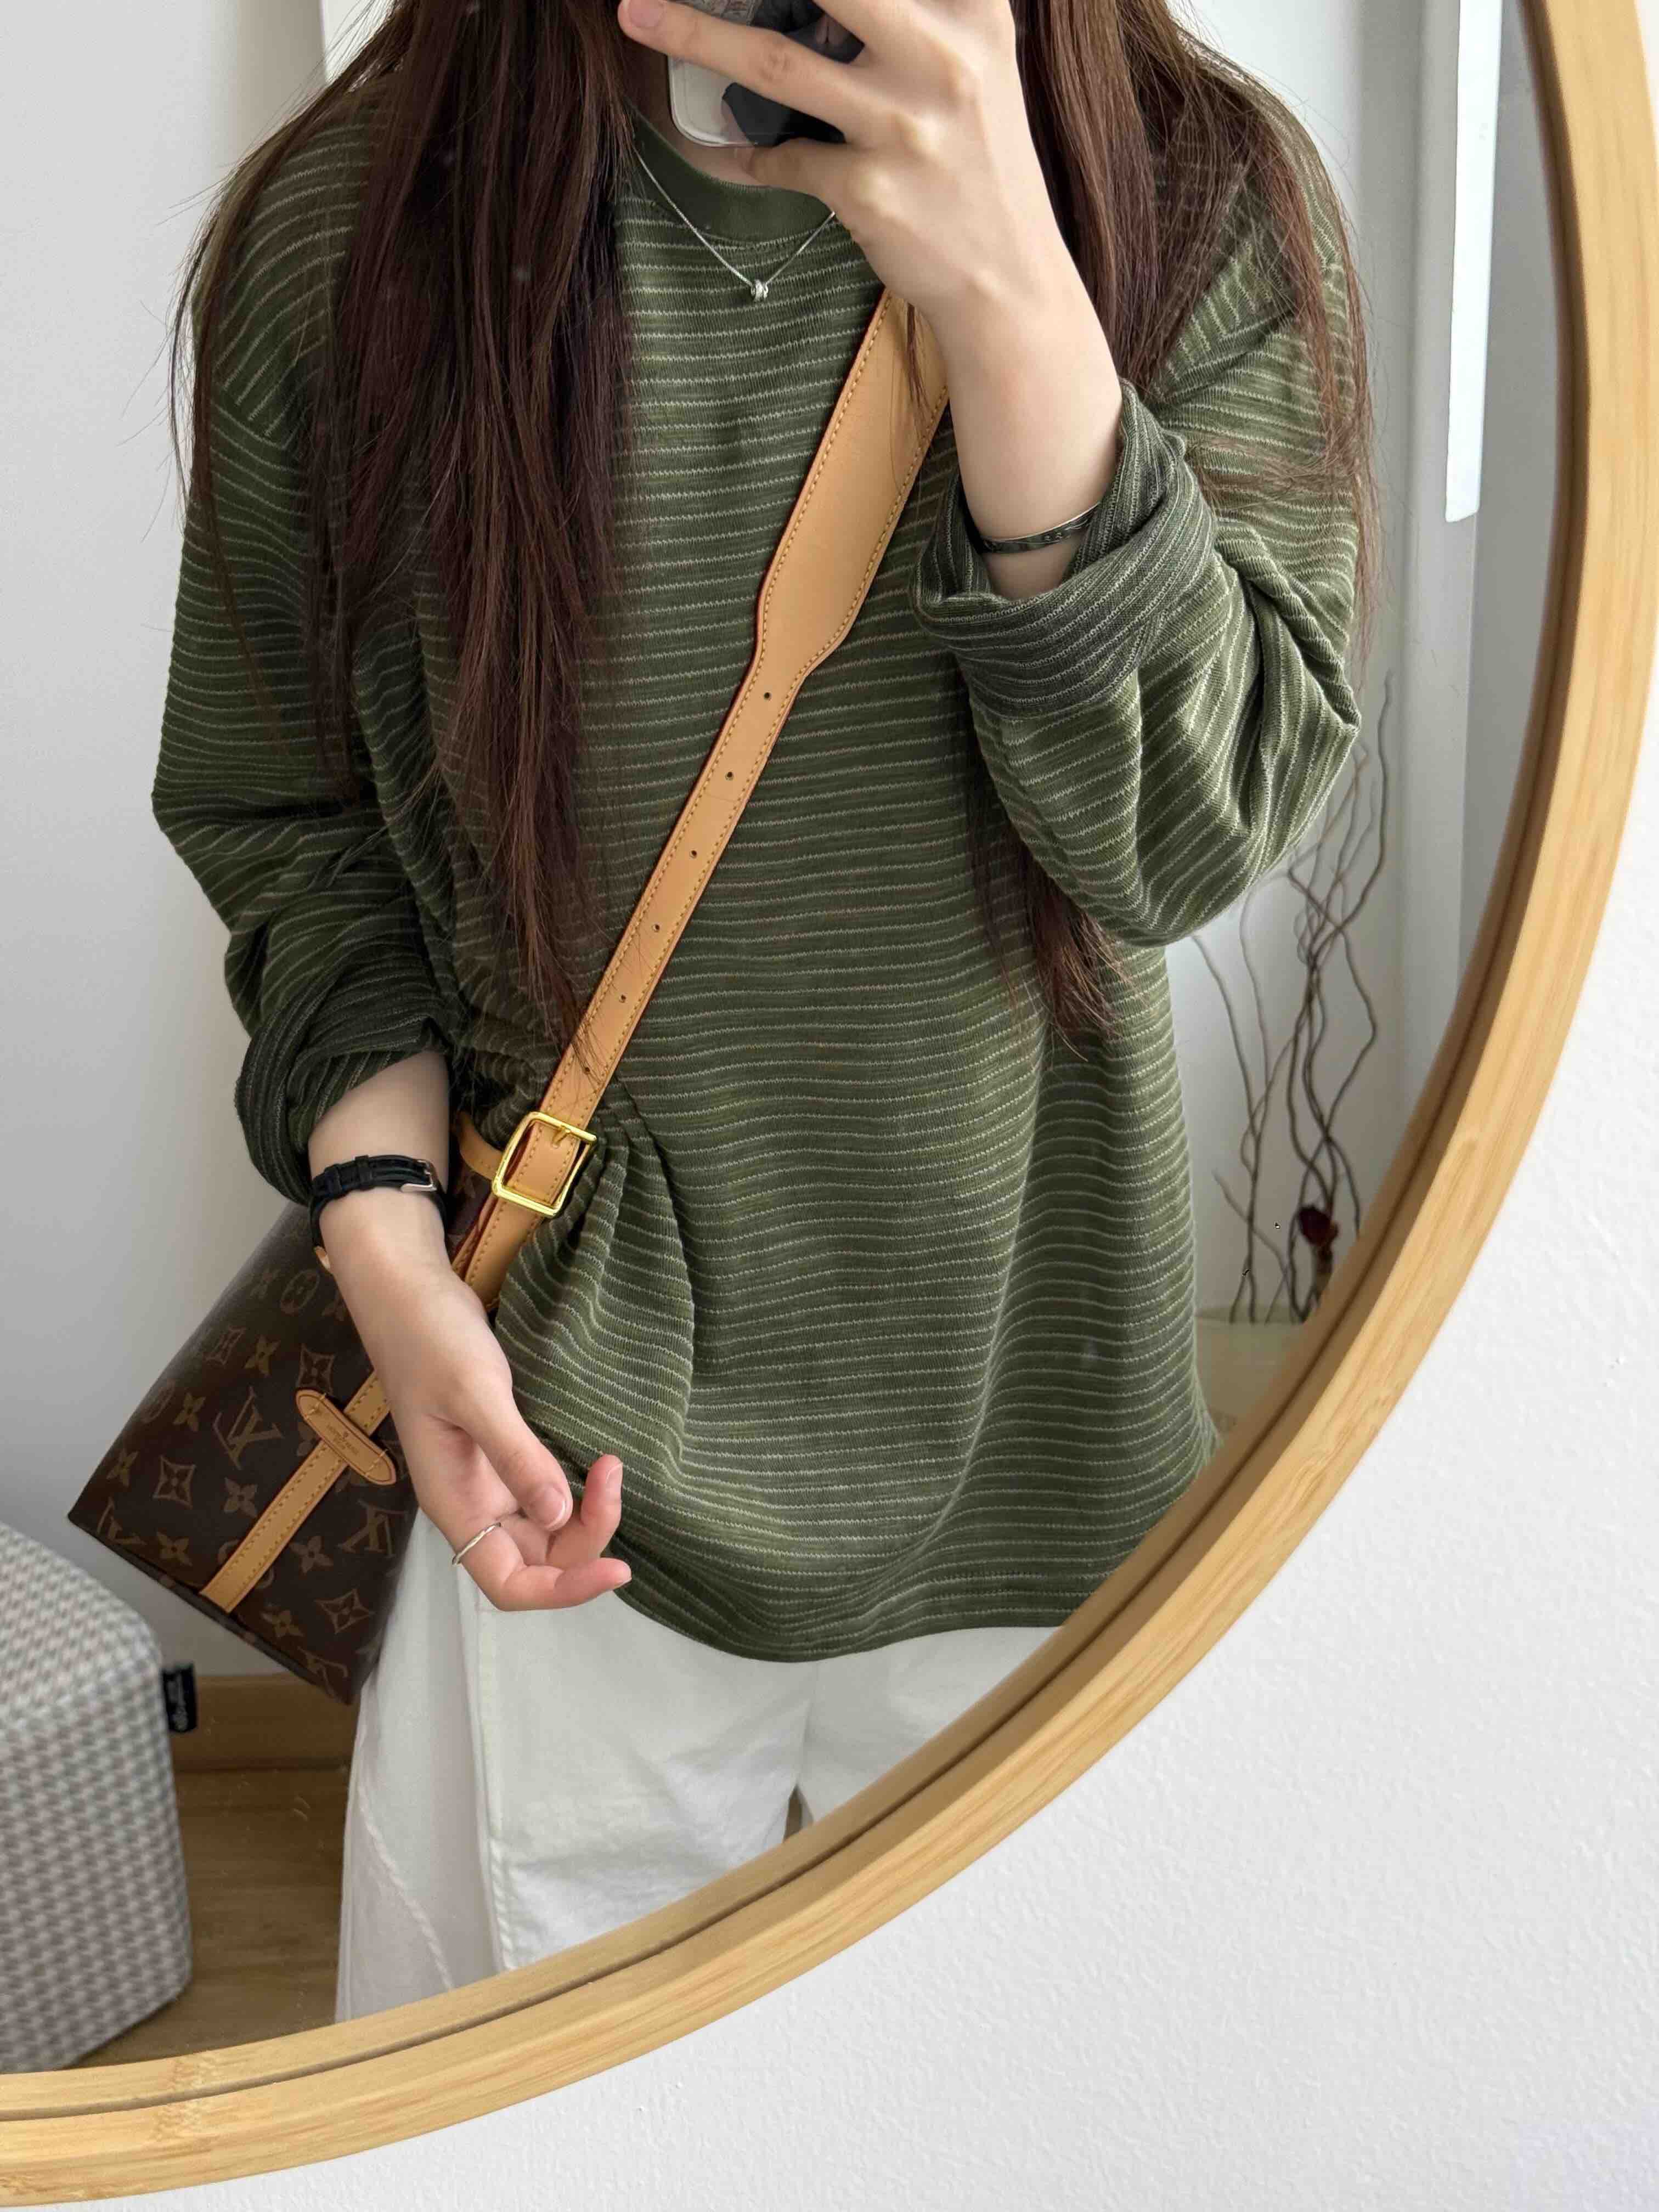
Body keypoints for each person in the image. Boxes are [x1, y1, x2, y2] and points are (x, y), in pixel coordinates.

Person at [153, 0, 1379, 2019]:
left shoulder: (1186, 187)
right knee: (552, 2139)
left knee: (1014, 2108)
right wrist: (383, 1242)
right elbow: (294, 826)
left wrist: (1014, 291)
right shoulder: (361, 227)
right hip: (554, 1449)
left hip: (1043, 1444)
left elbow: (1183, 838)